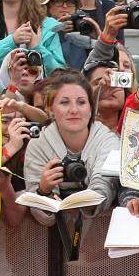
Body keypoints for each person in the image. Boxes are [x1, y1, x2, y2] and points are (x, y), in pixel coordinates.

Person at [24, 72, 118, 238]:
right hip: (51, 243)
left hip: (101, 237)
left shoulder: (108, 141)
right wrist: (43, 190)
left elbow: (103, 188)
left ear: (91, 109)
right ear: (50, 109)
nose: (74, 110)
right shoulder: (38, 144)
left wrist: (78, 202)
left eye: (81, 102)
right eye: (64, 103)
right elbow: (40, 214)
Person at [0, 0, 65, 93]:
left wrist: (37, 47)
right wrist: (12, 41)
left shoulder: (46, 26)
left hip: (37, 102)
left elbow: (60, 75)